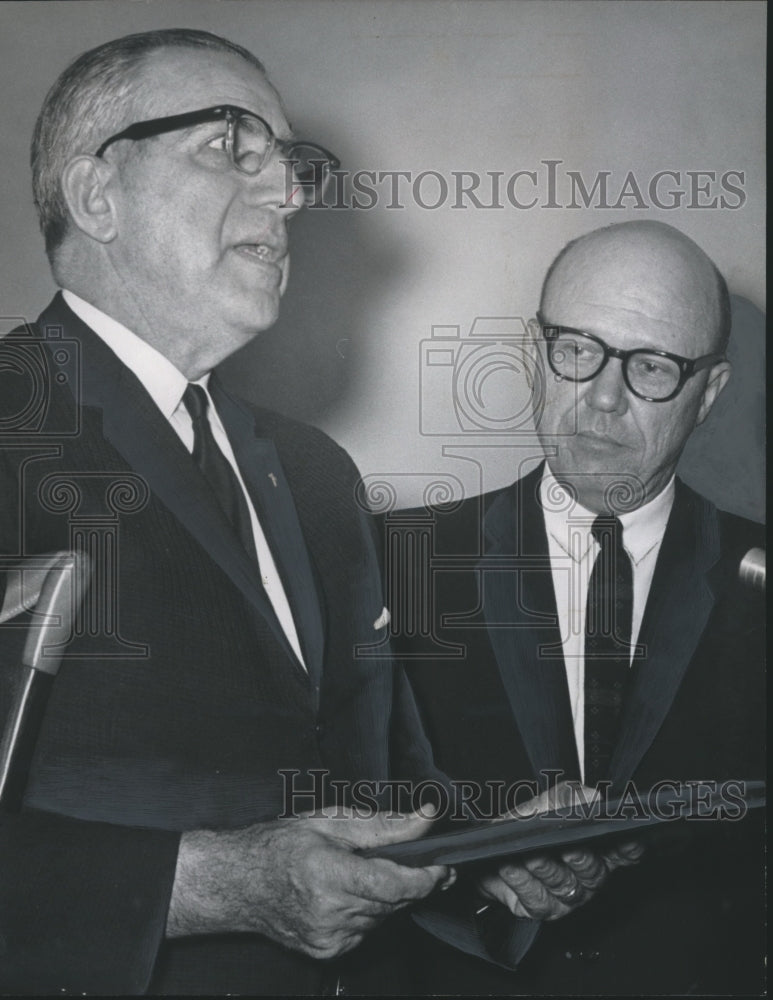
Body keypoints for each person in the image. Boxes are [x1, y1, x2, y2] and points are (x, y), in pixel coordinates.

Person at [0, 28, 472, 996]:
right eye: (228, 146)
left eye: (290, 165)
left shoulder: (313, 473)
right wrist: (210, 886)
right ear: (96, 196)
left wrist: (498, 858)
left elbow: (380, 781)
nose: (288, 196)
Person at [398, 221, 765, 994]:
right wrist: (472, 860)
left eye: (653, 366)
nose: (601, 398)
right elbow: (326, 808)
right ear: (534, 354)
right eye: (576, 350)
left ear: (710, 394)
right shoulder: (386, 564)